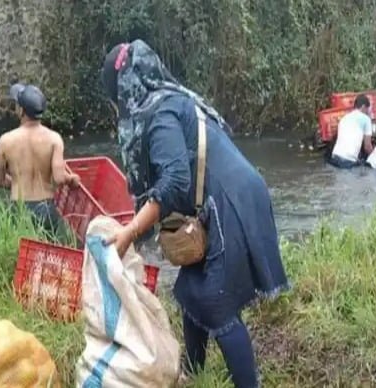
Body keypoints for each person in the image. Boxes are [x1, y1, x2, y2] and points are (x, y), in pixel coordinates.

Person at [101, 40, 290, 388]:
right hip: (216, 202)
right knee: (190, 288)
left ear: (126, 90)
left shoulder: (160, 116)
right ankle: (195, 369)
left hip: (230, 203)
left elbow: (174, 179)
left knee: (217, 302)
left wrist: (130, 233)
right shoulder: (167, 100)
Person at [0, 83, 80, 234]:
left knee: (22, 253)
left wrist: (17, 182)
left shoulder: (5, 141)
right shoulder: (54, 139)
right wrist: (72, 178)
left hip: (19, 206)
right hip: (46, 207)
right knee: (46, 253)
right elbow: (59, 178)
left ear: (22, 111)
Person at [329, 94, 374, 168]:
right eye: (367, 109)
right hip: (347, 161)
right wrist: (375, 157)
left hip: (334, 157)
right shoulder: (366, 119)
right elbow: (367, 147)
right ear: (363, 107)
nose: (367, 112)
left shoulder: (344, 118)